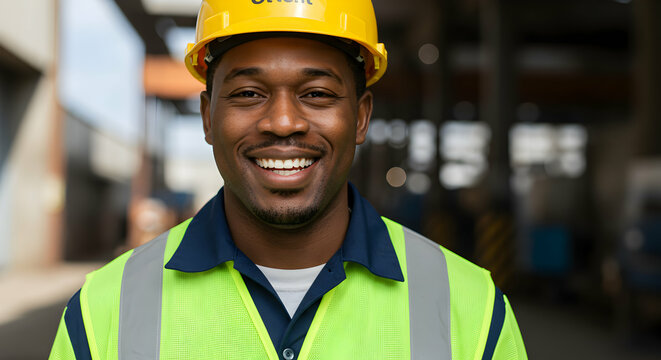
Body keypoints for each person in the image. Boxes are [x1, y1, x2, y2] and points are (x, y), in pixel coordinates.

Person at [50, 0, 527, 359]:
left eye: (317, 93)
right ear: (208, 117)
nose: (282, 122)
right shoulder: (104, 311)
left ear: (360, 118)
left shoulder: (472, 310)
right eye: (249, 92)